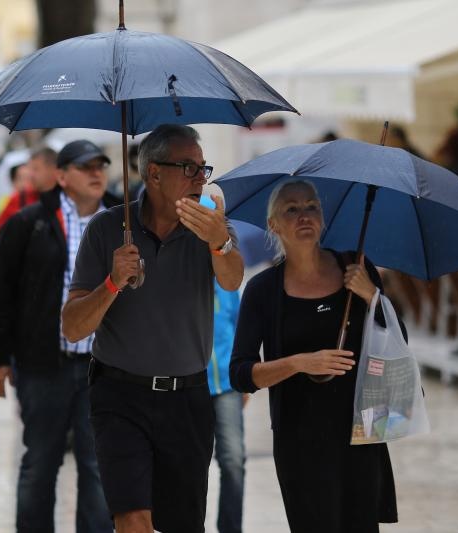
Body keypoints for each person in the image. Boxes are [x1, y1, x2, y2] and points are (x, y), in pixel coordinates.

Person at [62, 124, 244, 533]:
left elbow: (232, 280)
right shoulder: (107, 229)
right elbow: (73, 328)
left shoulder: (210, 228)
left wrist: (221, 242)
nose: (201, 178)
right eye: (189, 168)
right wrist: (111, 282)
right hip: (120, 396)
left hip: (188, 398)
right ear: (154, 173)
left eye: (203, 168)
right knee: (133, 519)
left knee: (182, 523)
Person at [229, 180, 398, 532]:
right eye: (291, 209)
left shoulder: (357, 269)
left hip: (361, 431)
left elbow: (398, 344)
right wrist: (299, 363)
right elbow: (241, 373)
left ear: (323, 217)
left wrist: (372, 297)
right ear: (273, 224)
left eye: (311, 207)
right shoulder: (263, 290)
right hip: (299, 440)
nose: (304, 215)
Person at [0, 140, 118, 533]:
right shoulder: (29, 223)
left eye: (101, 166)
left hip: (103, 368)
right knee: (40, 462)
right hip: (43, 365)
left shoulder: (121, 221)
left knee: (98, 466)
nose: (96, 173)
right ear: (61, 176)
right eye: (85, 166)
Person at [207, 281, 245, 533]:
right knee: (185, 466)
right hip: (186, 387)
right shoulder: (178, 276)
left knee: (233, 461)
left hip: (227, 387)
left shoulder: (227, 283)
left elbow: (241, 331)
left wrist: (242, 380)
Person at [0, 148, 58, 248]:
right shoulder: (20, 198)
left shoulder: (66, 201)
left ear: (53, 170)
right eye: (30, 169)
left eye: (36, 169)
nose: (30, 175)